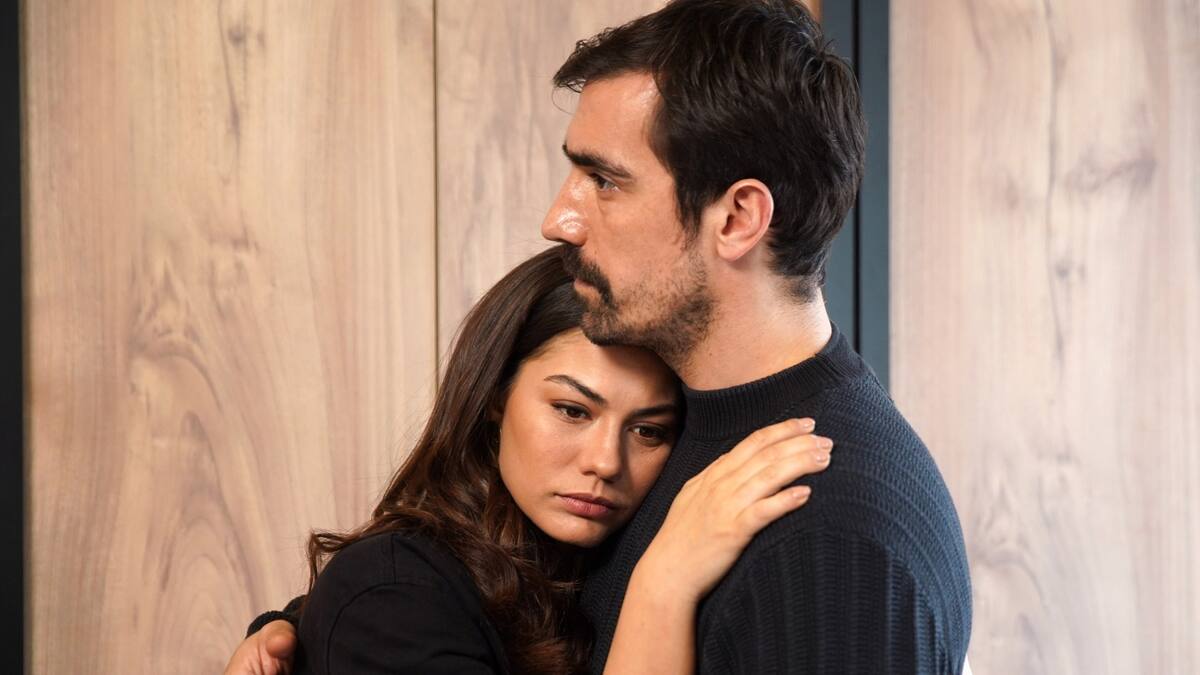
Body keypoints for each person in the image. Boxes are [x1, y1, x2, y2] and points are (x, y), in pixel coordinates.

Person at [231, 0, 974, 672]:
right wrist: (316, 627)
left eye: (606, 181)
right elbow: (504, 595)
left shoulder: (828, 541)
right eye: (572, 410)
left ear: (737, 218)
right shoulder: (689, 424)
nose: (559, 220)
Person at [228, 247, 834, 674]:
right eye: (572, 410)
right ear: (496, 397)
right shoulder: (392, 594)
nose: (605, 462)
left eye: (648, 430)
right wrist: (664, 585)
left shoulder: (579, 561)